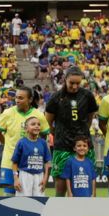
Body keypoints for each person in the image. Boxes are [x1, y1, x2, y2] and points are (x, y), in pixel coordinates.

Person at [44, 69, 100, 197]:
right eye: (71, 83)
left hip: (84, 144)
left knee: (87, 181)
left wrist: (82, 133)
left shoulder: (87, 96)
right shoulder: (56, 97)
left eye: (78, 83)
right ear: (65, 80)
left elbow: (90, 117)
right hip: (62, 146)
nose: (75, 86)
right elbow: (48, 122)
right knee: (61, 186)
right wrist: (60, 134)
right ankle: (60, 213)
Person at [0, 87, 48, 192]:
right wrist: (7, 145)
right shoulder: (8, 113)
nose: (17, 100)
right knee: (9, 196)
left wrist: (34, 147)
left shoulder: (39, 115)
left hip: (31, 163)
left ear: (30, 100)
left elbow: (43, 135)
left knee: (29, 197)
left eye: (21, 98)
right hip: (10, 161)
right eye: (16, 98)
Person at [14, 117, 52, 198]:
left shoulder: (43, 143)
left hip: (39, 176)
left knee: (39, 202)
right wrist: (16, 179)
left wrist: (45, 178)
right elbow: (14, 162)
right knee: (23, 202)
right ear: (26, 128)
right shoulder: (21, 142)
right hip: (25, 175)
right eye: (33, 124)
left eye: (38, 124)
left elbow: (47, 163)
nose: (37, 126)